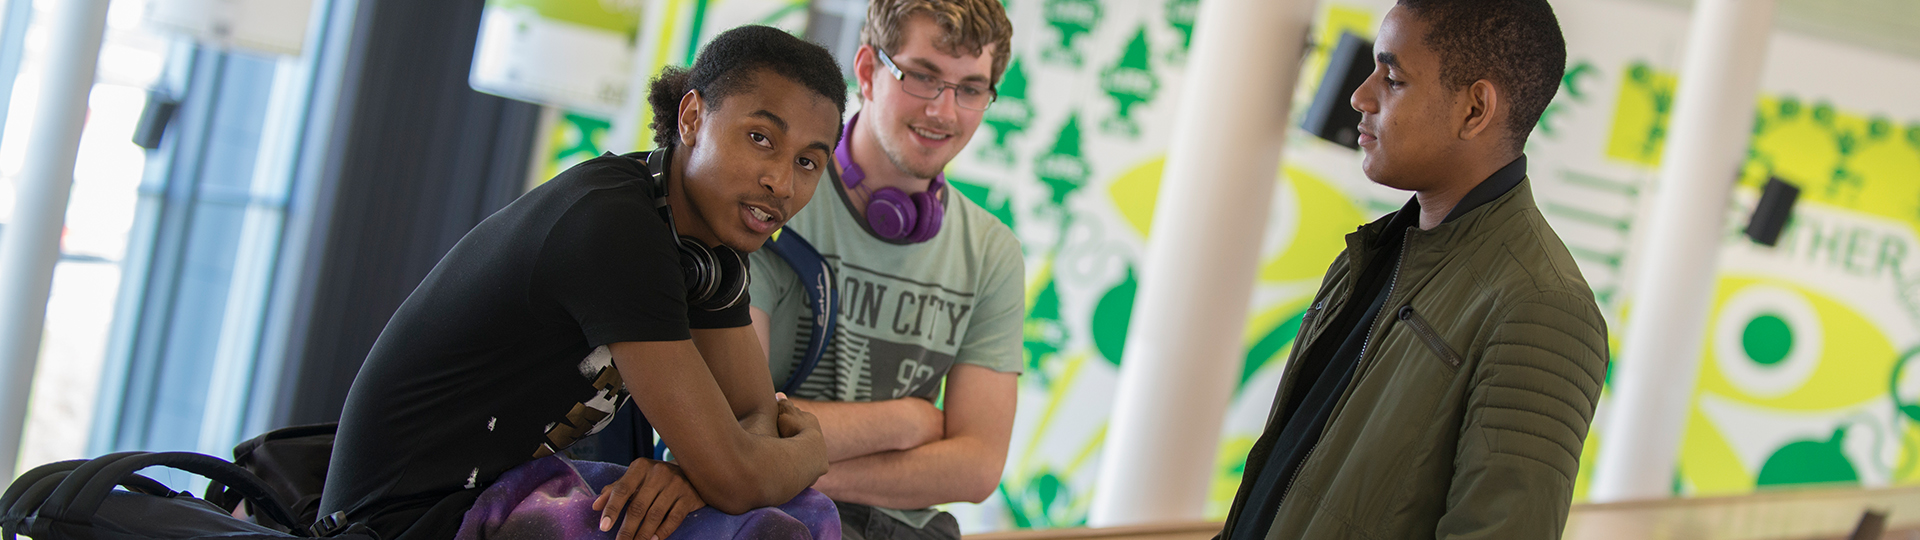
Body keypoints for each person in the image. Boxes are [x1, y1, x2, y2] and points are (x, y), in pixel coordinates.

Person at [319, 25, 848, 540]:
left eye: (807, 162)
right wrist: (808, 450)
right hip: (412, 520)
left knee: (788, 507)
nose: (781, 181)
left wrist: (700, 475)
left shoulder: (706, 247)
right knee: (782, 522)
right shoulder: (616, 229)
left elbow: (752, 418)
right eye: (760, 138)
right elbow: (739, 473)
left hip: (509, 495)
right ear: (691, 117)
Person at [1215, 1, 1608, 538]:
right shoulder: (1376, 252)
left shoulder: (1542, 306)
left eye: (1392, 78)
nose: (1360, 95)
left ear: (1475, 110)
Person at [745, 1, 1020, 538]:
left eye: (970, 89)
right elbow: (744, 428)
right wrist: (909, 421)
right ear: (868, 71)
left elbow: (978, 466)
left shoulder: (992, 251)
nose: (944, 111)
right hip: (775, 519)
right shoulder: (775, 199)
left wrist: (798, 471)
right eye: (923, 76)